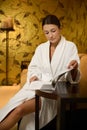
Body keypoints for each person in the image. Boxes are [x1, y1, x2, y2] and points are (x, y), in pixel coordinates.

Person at [0, 14, 80, 130]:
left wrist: (75, 67)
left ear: (60, 28)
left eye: (53, 31)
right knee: (12, 106)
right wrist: (33, 76)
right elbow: (33, 67)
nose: (50, 36)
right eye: (46, 33)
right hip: (37, 87)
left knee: (19, 110)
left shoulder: (70, 47)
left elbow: (73, 77)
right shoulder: (41, 48)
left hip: (52, 94)